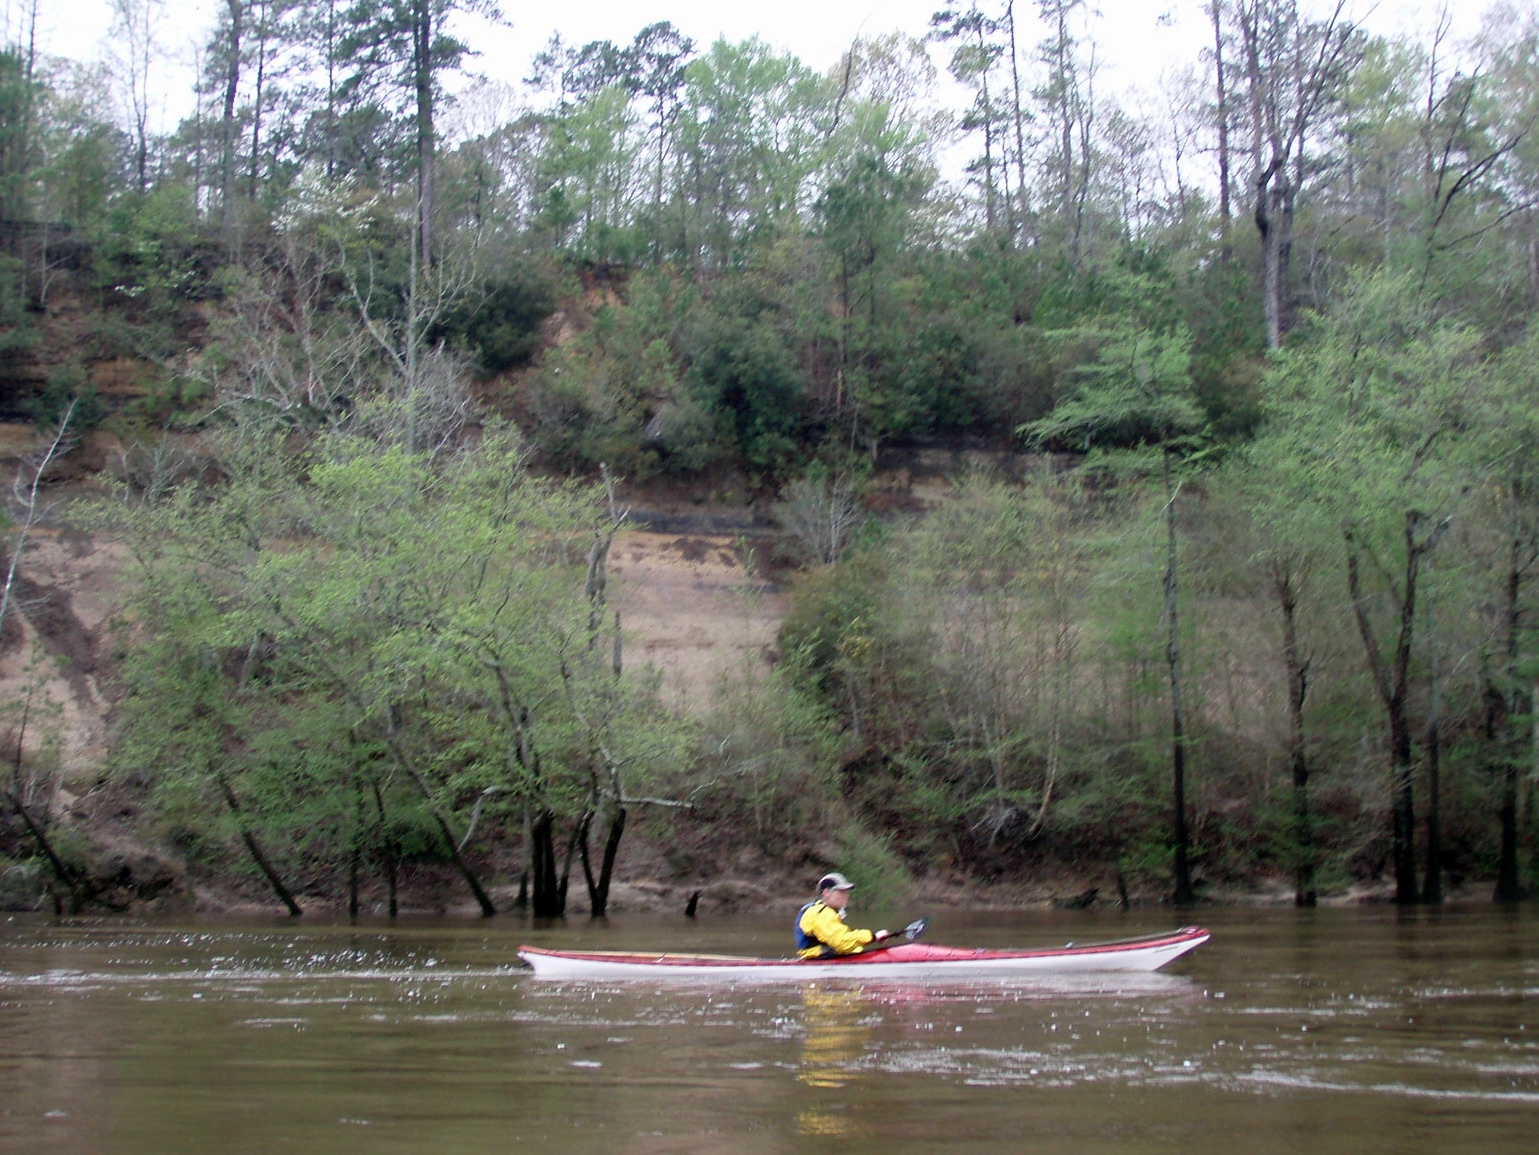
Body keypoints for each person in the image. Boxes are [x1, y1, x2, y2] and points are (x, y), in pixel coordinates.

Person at [794, 872, 890, 959]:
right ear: (826, 893)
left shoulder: (828, 912)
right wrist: (872, 936)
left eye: (846, 892)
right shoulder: (820, 913)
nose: (846, 895)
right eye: (841, 892)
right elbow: (841, 942)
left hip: (826, 958)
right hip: (820, 960)